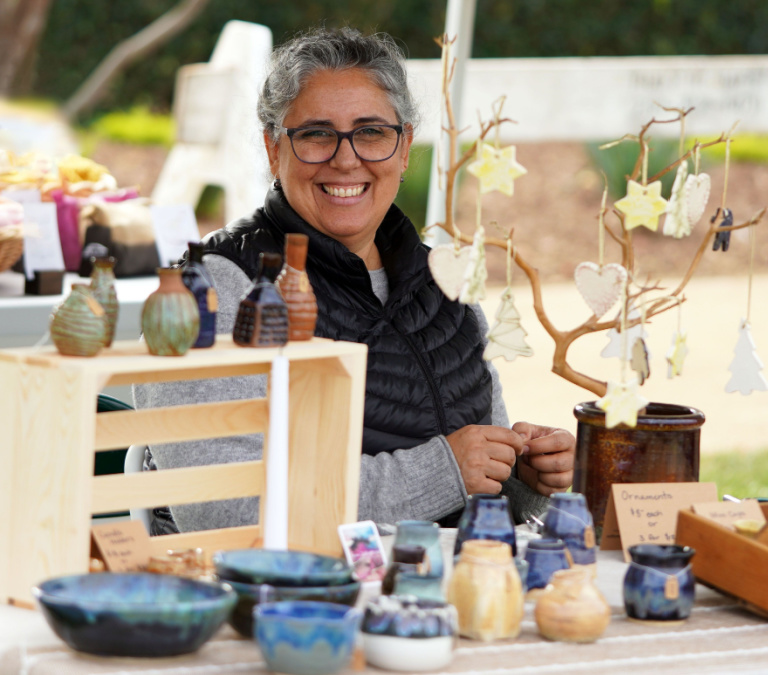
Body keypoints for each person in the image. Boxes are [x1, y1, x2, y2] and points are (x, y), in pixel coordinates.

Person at [133, 27, 575, 535]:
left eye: (371, 132)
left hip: (443, 591)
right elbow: (219, 508)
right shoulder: (212, 292)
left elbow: (477, 487)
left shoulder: (449, 288)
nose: (346, 159)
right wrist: (442, 471)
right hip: (284, 599)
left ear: (405, 147)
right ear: (274, 149)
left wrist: (524, 475)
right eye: (316, 134)